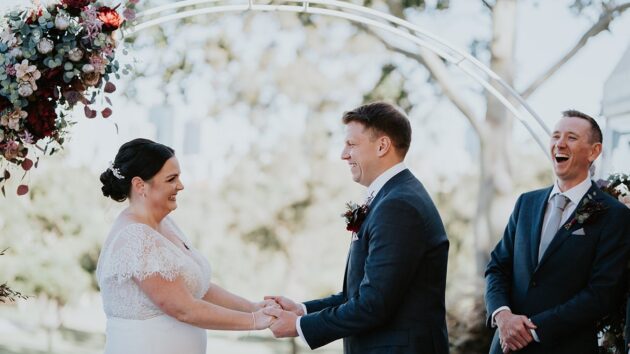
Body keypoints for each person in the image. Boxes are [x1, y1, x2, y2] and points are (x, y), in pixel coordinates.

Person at [263, 102, 450, 354]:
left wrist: (299, 326)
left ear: (382, 146)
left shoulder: (399, 205)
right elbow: (359, 294)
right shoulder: (391, 197)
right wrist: (302, 310)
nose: (343, 154)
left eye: (351, 144)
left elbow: (373, 305)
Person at [96, 138, 276, 354]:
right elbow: (183, 309)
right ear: (140, 185)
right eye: (171, 179)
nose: (180, 186)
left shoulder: (165, 224)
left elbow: (197, 286)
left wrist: (252, 307)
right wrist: (254, 321)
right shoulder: (136, 237)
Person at [485, 110, 630, 354]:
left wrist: (532, 329)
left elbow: (601, 293)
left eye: (571, 137)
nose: (559, 143)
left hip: (566, 347)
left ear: (594, 151)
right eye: (555, 136)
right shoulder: (526, 203)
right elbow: (498, 267)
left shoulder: (614, 215)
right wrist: (503, 316)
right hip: (505, 346)